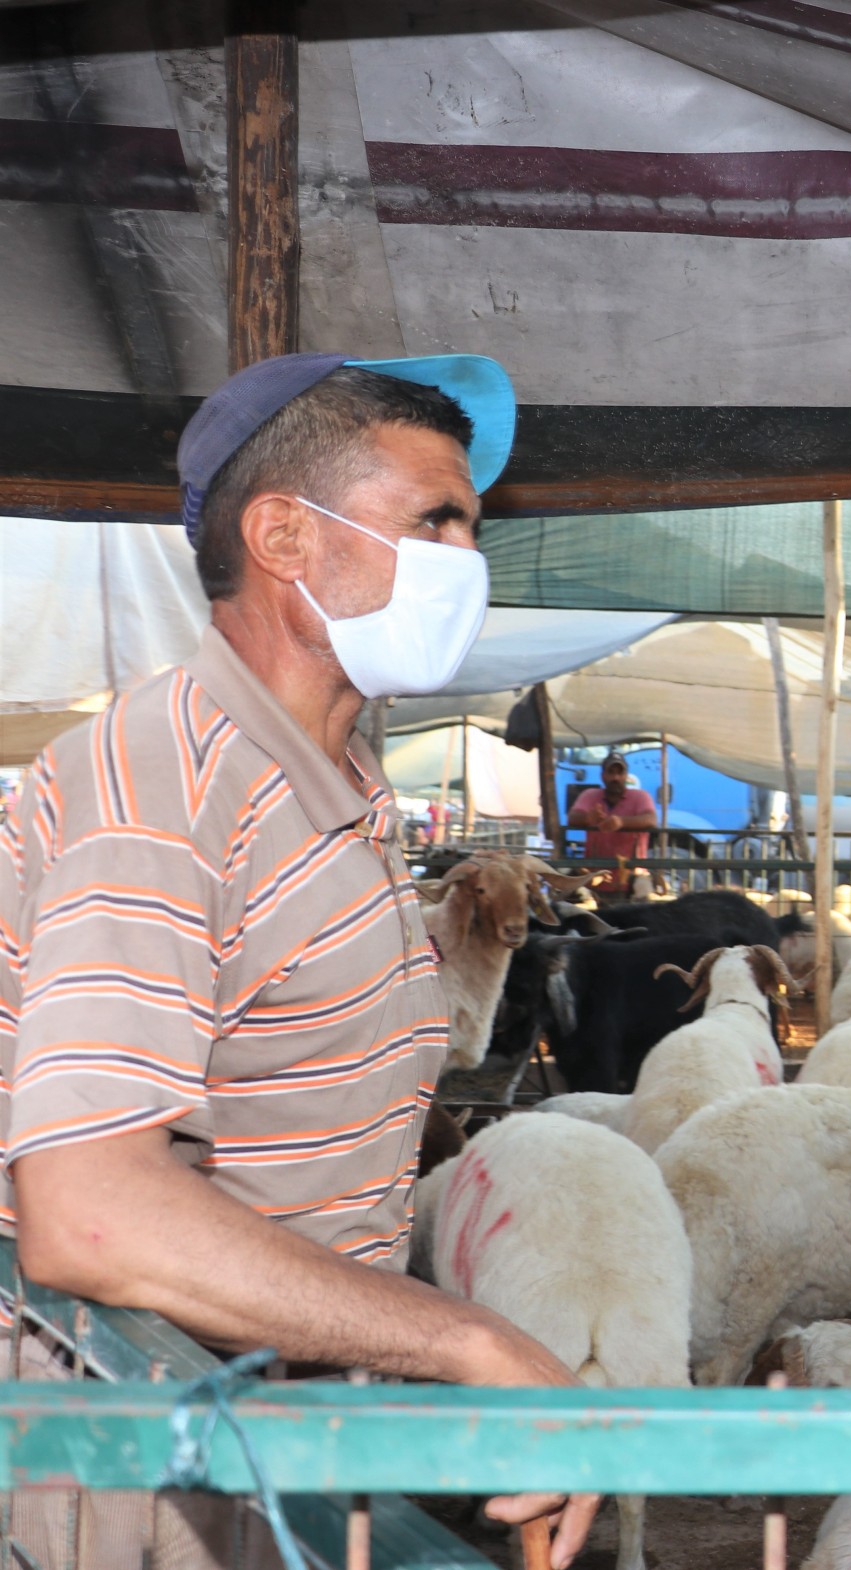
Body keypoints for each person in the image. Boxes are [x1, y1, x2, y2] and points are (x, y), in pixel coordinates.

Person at [0, 355, 600, 1563]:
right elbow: (92, 1211)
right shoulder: (168, 789)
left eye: (473, 532)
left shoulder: (336, 787)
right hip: (139, 1459)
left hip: (263, 1425)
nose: (466, 563)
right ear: (284, 535)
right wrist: (466, 1339)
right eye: (435, 521)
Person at [567, 753, 659, 892]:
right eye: (611, 772)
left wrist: (621, 822)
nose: (615, 777)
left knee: (643, 893)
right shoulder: (590, 795)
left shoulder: (641, 797)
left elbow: (651, 819)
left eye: (620, 773)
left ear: (626, 775)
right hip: (595, 878)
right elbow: (572, 818)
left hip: (632, 879)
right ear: (602, 775)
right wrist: (587, 818)